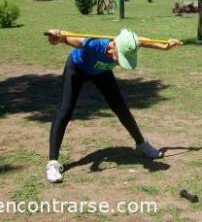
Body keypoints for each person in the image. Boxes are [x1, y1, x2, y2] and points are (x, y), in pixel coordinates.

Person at [44, 28, 182, 183]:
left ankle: (141, 144)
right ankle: (52, 163)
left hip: (101, 72)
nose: (120, 61)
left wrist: (164, 46)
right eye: (120, 56)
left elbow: (141, 40)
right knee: (65, 111)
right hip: (77, 69)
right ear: (113, 46)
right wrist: (55, 37)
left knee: (120, 107)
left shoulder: (127, 43)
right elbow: (63, 37)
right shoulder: (95, 45)